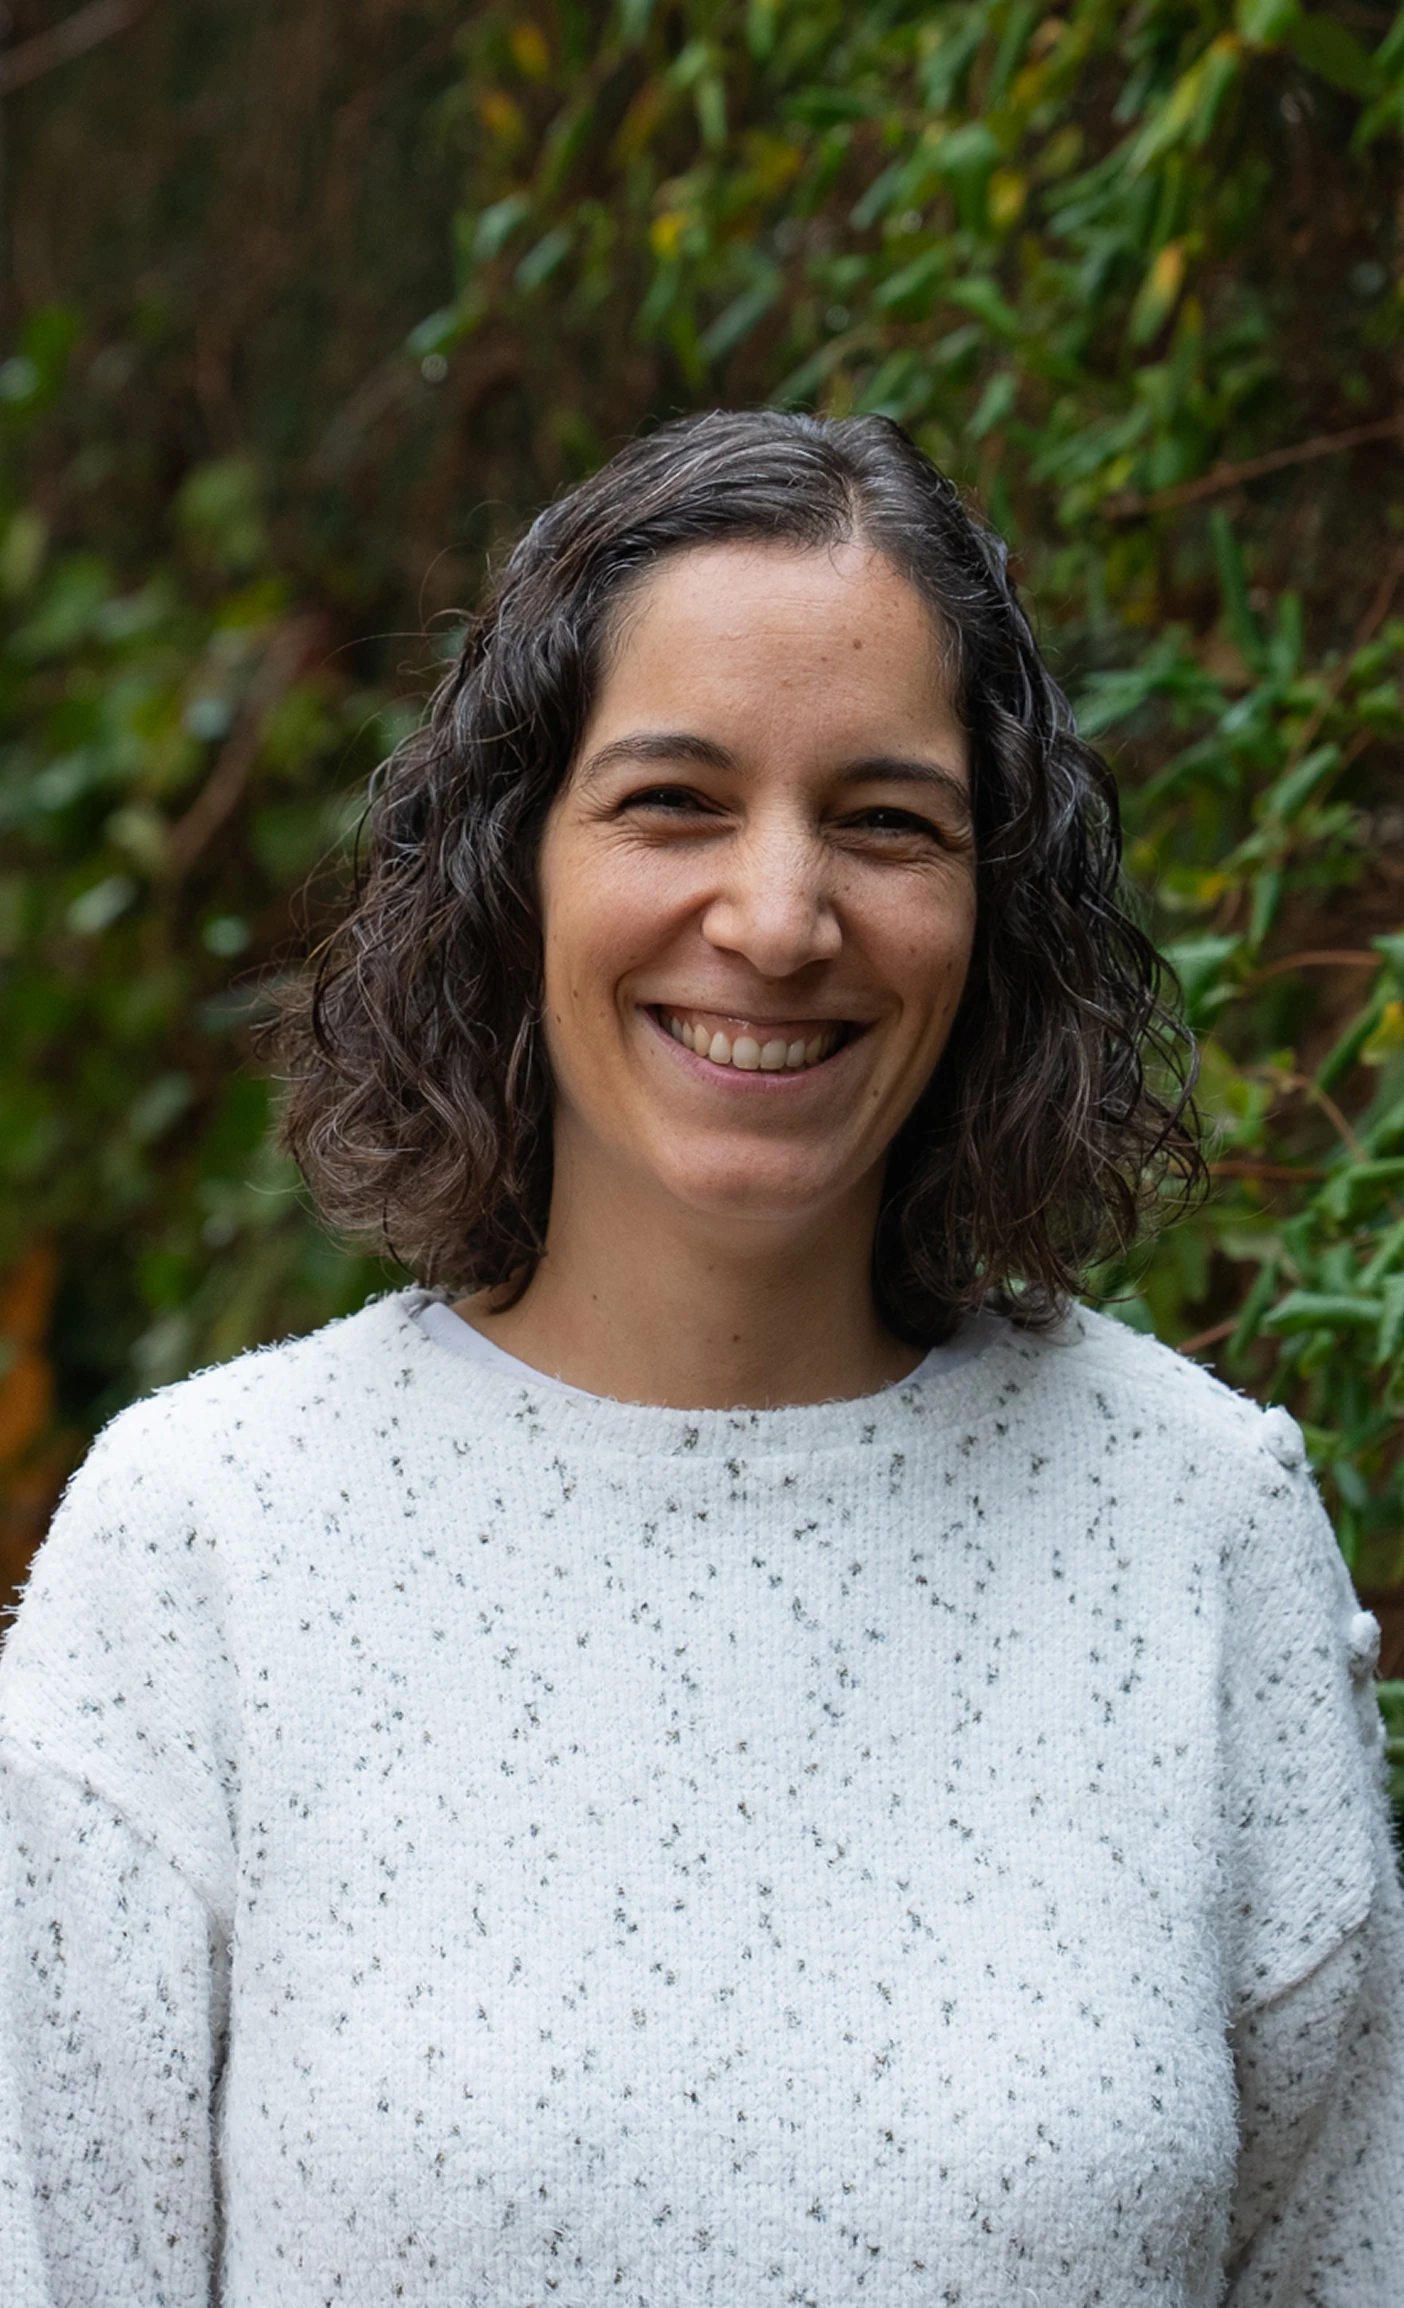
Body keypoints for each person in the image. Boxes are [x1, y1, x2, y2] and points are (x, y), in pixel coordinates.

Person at [1, 410, 1400, 2307]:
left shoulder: (1199, 1532)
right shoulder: (205, 1549)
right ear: (516, 867)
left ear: (997, 910)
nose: (778, 915)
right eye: (673, 801)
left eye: (886, 821)